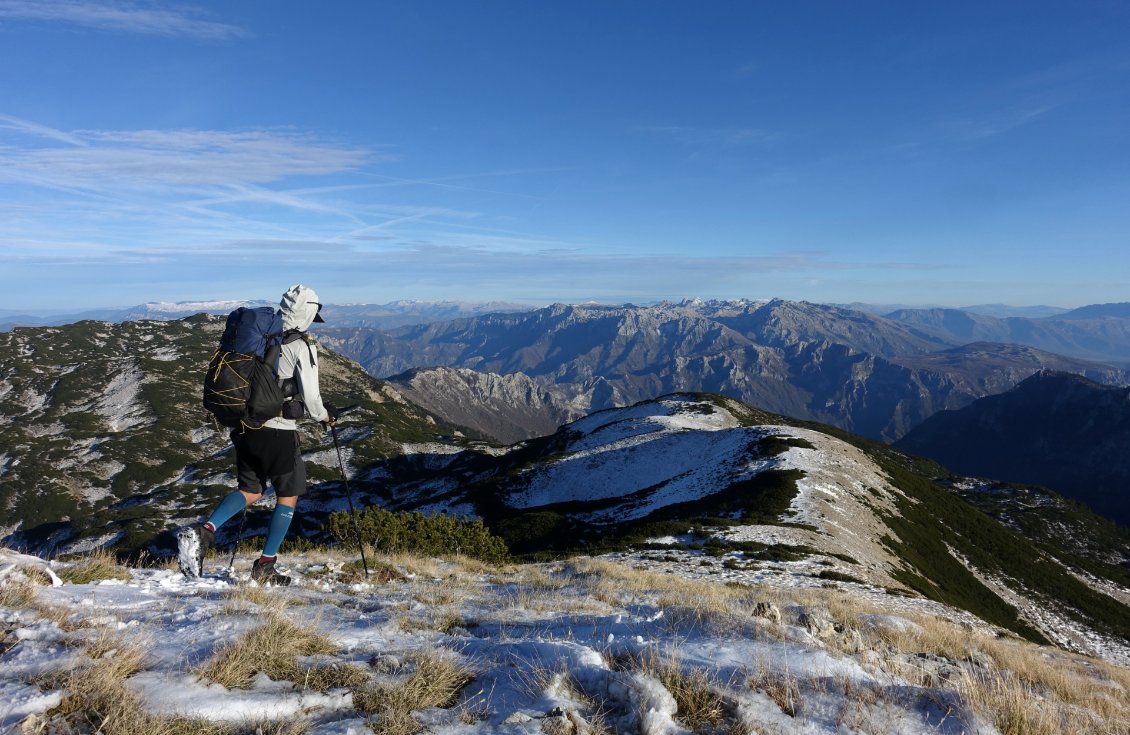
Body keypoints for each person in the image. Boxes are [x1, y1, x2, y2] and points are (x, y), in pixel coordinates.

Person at [178, 284, 337, 585]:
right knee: (288, 496)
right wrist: (326, 417)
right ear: (309, 313)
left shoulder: (261, 339)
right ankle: (265, 565)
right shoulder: (301, 345)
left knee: (251, 490)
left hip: (245, 428)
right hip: (278, 432)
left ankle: (205, 531)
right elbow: (313, 399)